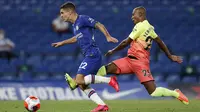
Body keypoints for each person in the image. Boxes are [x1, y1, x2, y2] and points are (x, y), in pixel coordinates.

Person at [96, 6, 189, 105]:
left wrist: (113, 51)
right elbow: (159, 41)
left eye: (133, 14)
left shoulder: (140, 26)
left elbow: (126, 42)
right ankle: (88, 84)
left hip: (140, 63)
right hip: (129, 61)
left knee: (153, 92)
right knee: (105, 69)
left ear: (140, 15)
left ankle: (175, 93)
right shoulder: (150, 27)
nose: (132, 17)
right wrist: (169, 56)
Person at [51, 2, 119, 112]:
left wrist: (108, 36)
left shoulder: (82, 19)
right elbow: (76, 38)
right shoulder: (75, 26)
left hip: (93, 54)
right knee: (82, 85)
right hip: (89, 55)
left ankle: (110, 80)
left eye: (62, 13)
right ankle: (102, 105)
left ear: (70, 12)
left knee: (79, 80)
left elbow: (98, 24)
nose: (61, 15)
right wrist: (62, 43)